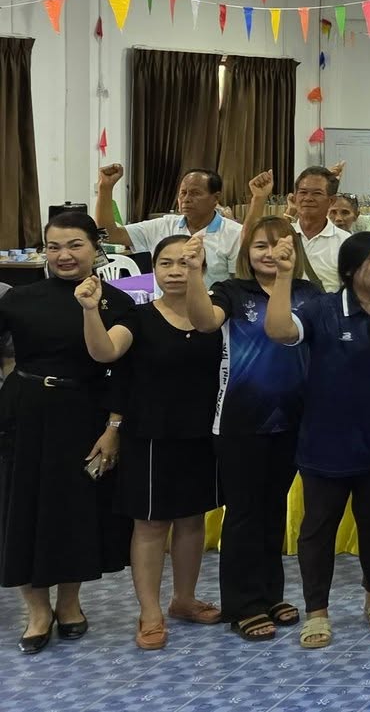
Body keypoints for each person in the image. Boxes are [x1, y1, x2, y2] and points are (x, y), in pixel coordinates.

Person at [80, 233, 223, 649]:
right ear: (154, 269)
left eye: (185, 263)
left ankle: (184, 600)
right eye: (166, 263)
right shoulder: (138, 317)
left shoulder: (214, 316)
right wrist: (91, 311)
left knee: (192, 519)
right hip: (150, 435)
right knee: (151, 524)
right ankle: (150, 612)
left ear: (201, 268)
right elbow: (105, 352)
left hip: (200, 434)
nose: (175, 271)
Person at [1, 212, 135, 653]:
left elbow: (119, 369)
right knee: (22, 509)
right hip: (23, 410)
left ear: (96, 247)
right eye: (54, 246)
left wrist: (114, 427)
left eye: (75, 245)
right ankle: (37, 611)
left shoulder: (118, 302)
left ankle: (70, 602)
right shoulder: (19, 298)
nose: (64, 255)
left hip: (83, 414)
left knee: (74, 510)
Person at [188, 202, 320, 643]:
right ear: (247, 251)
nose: (270, 252)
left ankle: (269, 594)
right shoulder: (231, 290)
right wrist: (194, 273)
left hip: (293, 420)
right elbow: (204, 322)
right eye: (261, 245)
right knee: (244, 513)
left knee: (272, 510)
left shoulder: (308, 293)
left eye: (280, 245)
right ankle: (242, 604)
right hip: (240, 421)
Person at [292, 231, 370, 649]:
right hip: (326, 440)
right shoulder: (322, 308)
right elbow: (283, 332)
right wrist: (285, 276)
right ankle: (316, 612)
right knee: (318, 528)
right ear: (351, 268)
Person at [94, 163, 242, 286]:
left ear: (215, 198)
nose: (186, 199)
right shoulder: (163, 226)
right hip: (163, 310)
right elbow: (109, 234)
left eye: (195, 193)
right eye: (183, 193)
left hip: (211, 310)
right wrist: (105, 188)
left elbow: (238, 285)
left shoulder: (234, 233)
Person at [287, 167, 348, 291]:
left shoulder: (345, 242)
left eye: (317, 193)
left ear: (331, 201)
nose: (308, 198)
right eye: (303, 192)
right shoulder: (283, 235)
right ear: (295, 197)